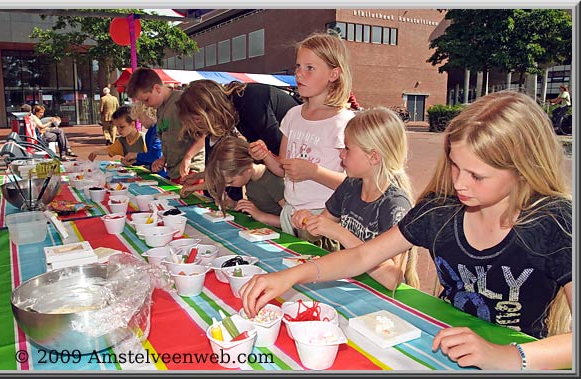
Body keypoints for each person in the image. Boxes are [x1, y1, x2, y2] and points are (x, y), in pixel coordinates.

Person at [241, 91, 572, 370]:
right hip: (442, 344)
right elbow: (363, 256)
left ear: (522, 169)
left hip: (521, 358)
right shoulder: (440, 210)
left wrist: (504, 356)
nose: (459, 183)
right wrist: (292, 276)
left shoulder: (555, 223)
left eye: (477, 176)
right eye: (455, 166)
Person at [291, 107, 418, 290]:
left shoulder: (395, 205)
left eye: (348, 149)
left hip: (381, 297)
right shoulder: (350, 186)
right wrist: (308, 223)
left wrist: (339, 233)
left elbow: (392, 279)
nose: (341, 154)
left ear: (373, 157)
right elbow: (316, 232)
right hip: (353, 285)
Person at [249, 32, 355, 248]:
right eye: (298, 66)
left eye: (310, 68)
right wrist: (266, 156)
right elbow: (282, 169)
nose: (299, 74)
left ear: (334, 74)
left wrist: (314, 172)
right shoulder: (292, 115)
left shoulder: (343, 121)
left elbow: (354, 185)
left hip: (324, 222)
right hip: (291, 215)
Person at [175, 79, 301, 201]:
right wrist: (200, 176)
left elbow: (281, 156)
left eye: (197, 119)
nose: (197, 126)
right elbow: (226, 164)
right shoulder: (231, 113)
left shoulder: (251, 103)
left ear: (210, 110)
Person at [126, 68, 205, 183]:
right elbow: (168, 137)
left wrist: (188, 158)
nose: (146, 105)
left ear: (157, 88)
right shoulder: (160, 108)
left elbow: (203, 136)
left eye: (146, 100)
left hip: (191, 172)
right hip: (174, 172)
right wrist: (163, 159)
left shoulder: (182, 102)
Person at [205, 136, 285, 227]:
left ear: (247, 169)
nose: (227, 186)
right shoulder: (249, 179)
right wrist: (232, 204)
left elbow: (291, 221)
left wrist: (261, 216)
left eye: (231, 181)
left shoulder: (272, 181)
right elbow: (257, 208)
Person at [126, 102, 166, 177]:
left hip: (163, 173)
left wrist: (136, 156)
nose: (140, 121)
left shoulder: (157, 129)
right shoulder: (151, 130)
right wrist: (135, 161)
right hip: (158, 171)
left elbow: (156, 156)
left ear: (147, 114)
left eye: (139, 118)